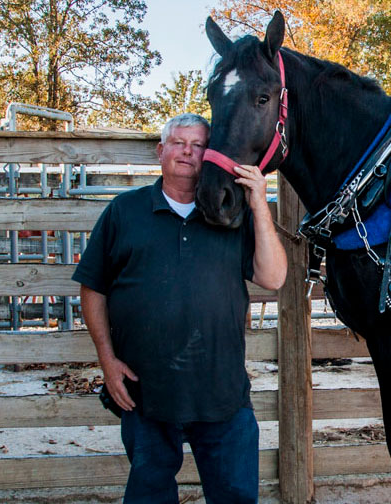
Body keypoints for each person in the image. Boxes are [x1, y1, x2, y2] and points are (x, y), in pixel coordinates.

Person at [73, 113, 286, 503]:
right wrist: (106, 360)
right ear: (161, 151)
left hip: (222, 394)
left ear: (210, 155)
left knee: (235, 497)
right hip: (145, 391)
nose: (187, 152)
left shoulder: (230, 212)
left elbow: (273, 277)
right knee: (149, 496)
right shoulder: (125, 211)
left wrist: (258, 203)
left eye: (199, 145)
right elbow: (93, 288)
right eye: (178, 143)